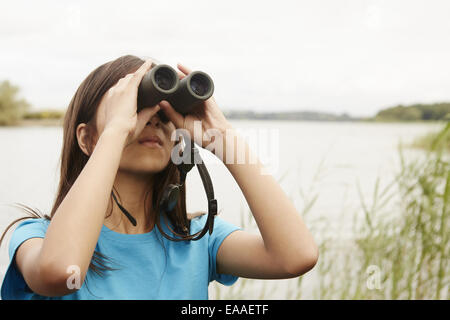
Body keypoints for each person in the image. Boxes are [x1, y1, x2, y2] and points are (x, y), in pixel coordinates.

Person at [0, 55, 318, 299]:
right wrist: (114, 132)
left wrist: (224, 138)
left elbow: (295, 257)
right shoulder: (37, 237)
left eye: (163, 115)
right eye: (135, 109)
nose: (151, 121)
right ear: (87, 139)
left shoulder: (196, 238)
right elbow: (60, 271)